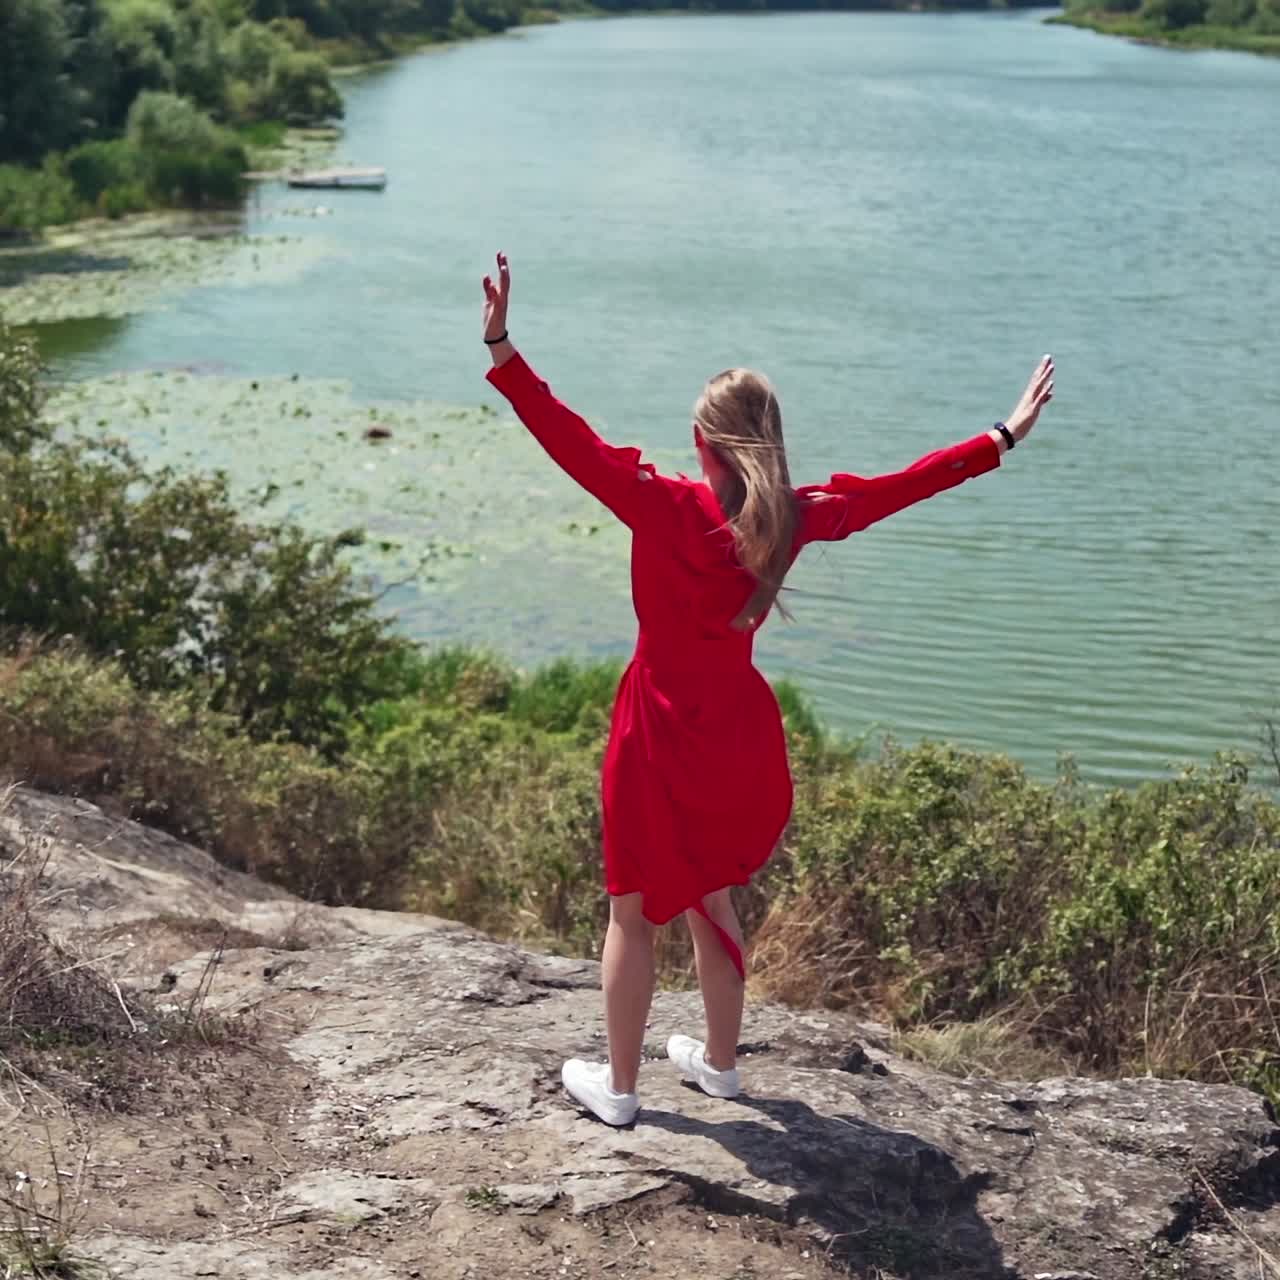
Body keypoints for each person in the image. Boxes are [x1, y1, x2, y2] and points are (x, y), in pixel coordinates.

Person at [481, 252, 1054, 1126]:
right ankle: (718, 1066)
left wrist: (504, 347)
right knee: (716, 894)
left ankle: (624, 1090)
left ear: (703, 441)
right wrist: (1000, 439)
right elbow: (902, 486)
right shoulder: (795, 516)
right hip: (736, 731)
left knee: (631, 909)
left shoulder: (662, 504)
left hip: (656, 722)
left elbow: (568, 438)